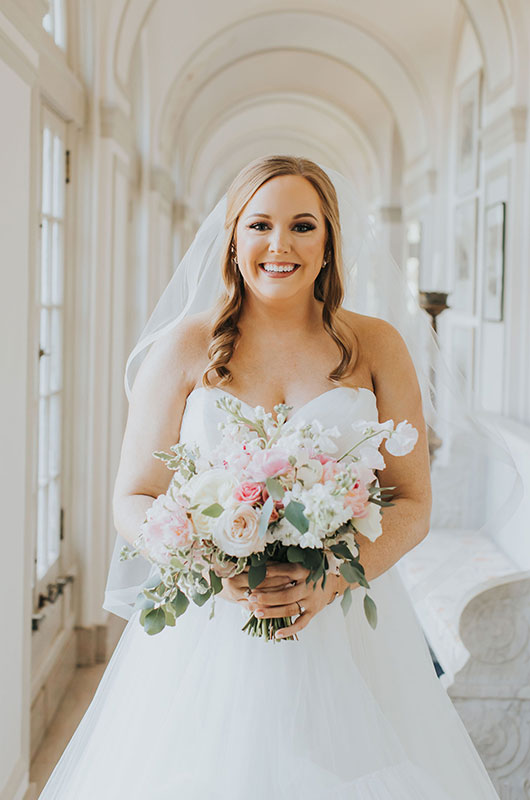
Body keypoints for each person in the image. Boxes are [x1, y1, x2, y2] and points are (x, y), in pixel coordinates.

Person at [39, 155, 502, 798]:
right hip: (208, 632)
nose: (279, 244)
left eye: (302, 226)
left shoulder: (378, 345)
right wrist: (212, 567)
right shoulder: (183, 347)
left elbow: (413, 501)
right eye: (260, 224)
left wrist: (333, 578)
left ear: (329, 241)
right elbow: (132, 495)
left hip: (347, 631)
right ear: (233, 237)